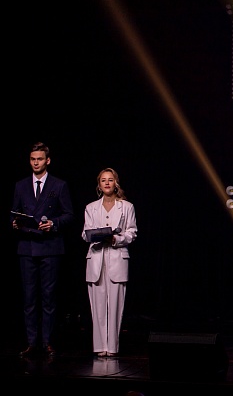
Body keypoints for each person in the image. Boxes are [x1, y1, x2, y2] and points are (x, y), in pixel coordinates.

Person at [10, 141, 75, 358]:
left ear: (47, 161)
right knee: (29, 298)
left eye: (39, 159)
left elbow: (69, 215)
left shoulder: (59, 185)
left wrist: (53, 223)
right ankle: (31, 342)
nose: (35, 163)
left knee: (48, 297)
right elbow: (14, 212)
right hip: (27, 247)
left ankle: (48, 342)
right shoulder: (21, 185)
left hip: (50, 247)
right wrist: (14, 223)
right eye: (32, 159)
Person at [82, 167, 138, 357]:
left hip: (117, 258)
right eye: (103, 180)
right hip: (96, 259)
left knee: (115, 306)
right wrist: (96, 235)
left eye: (110, 180)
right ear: (99, 185)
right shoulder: (91, 207)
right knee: (97, 307)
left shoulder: (127, 207)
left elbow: (132, 232)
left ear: (116, 183)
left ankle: (112, 347)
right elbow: (85, 233)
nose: (107, 183)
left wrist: (116, 239)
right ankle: (99, 347)